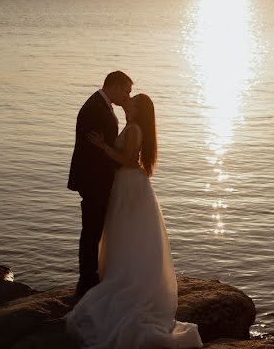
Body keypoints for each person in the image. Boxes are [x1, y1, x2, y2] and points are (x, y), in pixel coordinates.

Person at [65, 93, 202, 349]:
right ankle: (117, 272)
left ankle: (125, 278)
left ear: (139, 110)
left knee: (127, 233)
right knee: (122, 234)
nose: (126, 100)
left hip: (129, 184)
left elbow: (130, 161)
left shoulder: (135, 129)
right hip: (126, 184)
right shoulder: (130, 126)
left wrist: (104, 147)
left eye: (132, 100)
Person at [68, 71, 133, 297]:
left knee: (94, 229)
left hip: (98, 178)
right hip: (94, 179)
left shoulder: (102, 105)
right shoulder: (95, 109)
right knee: (91, 230)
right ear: (114, 86)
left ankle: (91, 276)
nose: (127, 95)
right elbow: (94, 151)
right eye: (126, 90)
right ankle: (87, 280)